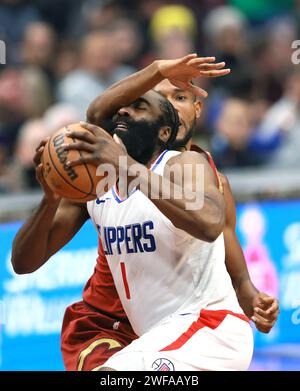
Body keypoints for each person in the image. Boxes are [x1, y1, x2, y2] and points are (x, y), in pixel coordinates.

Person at [11, 55, 278, 371]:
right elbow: (23, 263)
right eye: (124, 107)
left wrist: (125, 166)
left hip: (209, 327)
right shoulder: (96, 183)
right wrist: (51, 198)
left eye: (140, 107)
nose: (124, 110)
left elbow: (209, 223)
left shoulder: (185, 165)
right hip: (155, 334)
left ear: (165, 132)